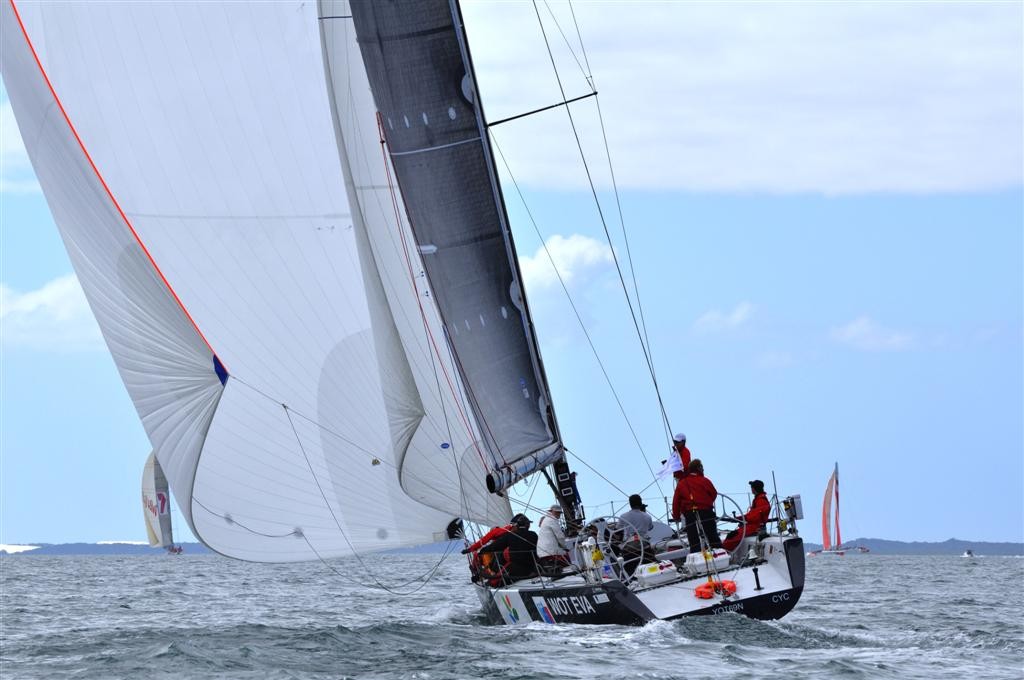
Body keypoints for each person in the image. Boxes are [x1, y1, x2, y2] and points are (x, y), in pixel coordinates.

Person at [672, 458, 723, 549]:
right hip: (706, 513)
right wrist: (706, 503)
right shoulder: (704, 480)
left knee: (694, 541)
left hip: (690, 515)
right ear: (698, 468)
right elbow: (713, 493)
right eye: (702, 467)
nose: (703, 469)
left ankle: (697, 557)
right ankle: (720, 555)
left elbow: (676, 502)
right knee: (713, 537)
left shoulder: (682, 483)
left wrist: (676, 517)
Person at [478, 513, 539, 583]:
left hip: (516, 569)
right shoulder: (534, 535)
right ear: (527, 525)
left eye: (512, 525)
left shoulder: (510, 536)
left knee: (494, 582)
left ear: (516, 525)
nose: (512, 527)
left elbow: (494, 546)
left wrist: (482, 551)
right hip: (533, 567)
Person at [723, 480, 772, 552]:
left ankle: (724, 553)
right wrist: (738, 518)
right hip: (751, 526)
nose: (751, 489)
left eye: (752, 487)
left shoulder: (761, 501)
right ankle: (726, 552)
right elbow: (751, 514)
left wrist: (743, 519)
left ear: (754, 489)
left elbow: (755, 517)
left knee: (732, 537)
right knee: (732, 535)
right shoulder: (758, 499)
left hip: (755, 527)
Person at [536, 505, 570, 570]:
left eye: (559, 513)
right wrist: (565, 547)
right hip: (551, 552)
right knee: (567, 561)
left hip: (542, 553)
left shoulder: (546, 520)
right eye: (557, 512)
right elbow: (560, 537)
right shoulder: (552, 520)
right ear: (551, 511)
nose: (559, 515)